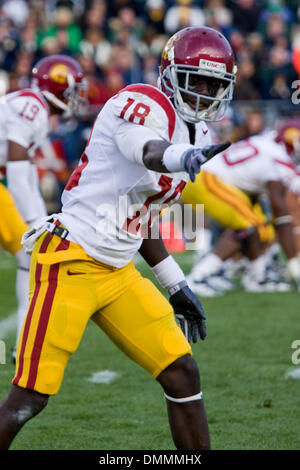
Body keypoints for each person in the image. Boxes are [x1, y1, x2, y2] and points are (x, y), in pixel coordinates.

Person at [0, 26, 236, 450]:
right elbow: (145, 149)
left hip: (118, 270)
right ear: (169, 73)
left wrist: (176, 285)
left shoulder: (200, 135)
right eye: (194, 78)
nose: (203, 91)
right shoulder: (142, 102)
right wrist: (181, 157)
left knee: (182, 371)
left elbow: (141, 217)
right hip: (70, 259)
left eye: (213, 83)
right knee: (31, 395)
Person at [0, 54, 87, 360]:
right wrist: (37, 219)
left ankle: (25, 339)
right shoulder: (33, 107)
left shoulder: (32, 107)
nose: (76, 97)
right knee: (31, 252)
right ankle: (25, 342)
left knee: (30, 253)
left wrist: (41, 218)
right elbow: (17, 170)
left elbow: (22, 174)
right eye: (73, 89)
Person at [182, 128, 300, 295]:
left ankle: (256, 277)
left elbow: (249, 184)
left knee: (256, 227)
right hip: (206, 178)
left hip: (208, 178)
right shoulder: (277, 157)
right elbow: (281, 213)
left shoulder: (264, 143)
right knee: (247, 226)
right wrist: (292, 261)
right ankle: (198, 277)